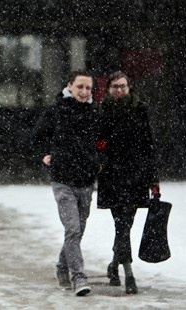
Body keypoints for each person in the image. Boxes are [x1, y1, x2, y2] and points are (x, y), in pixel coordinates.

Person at [31, 71, 100, 296]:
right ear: (69, 86)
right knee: (72, 228)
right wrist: (44, 154)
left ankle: (62, 266)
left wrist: (99, 162)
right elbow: (37, 136)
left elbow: (103, 143)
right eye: (80, 86)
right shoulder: (56, 111)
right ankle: (78, 277)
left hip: (87, 180)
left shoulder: (95, 113)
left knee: (78, 230)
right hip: (62, 179)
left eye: (88, 88)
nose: (84, 92)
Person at [96, 71, 160, 294]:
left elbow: (148, 144)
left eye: (122, 86)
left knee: (126, 224)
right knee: (121, 224)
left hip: (136, 175)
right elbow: (96, 141)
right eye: (115, 87)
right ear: (108, 89)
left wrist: (153, 178)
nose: (119, 90)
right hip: (112, 175)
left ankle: (115, 265)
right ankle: (129, 273)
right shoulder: (102, 111)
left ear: (129, 87)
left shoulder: (139, 109)